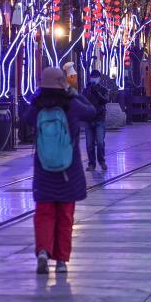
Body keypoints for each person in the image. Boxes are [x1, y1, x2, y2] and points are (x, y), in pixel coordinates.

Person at [23, 67, 95, 274]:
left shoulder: (37, 108)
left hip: (44, 170)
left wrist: (37, 96)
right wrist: (74, 92)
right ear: (62, 83)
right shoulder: (71, 105)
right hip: (68, 171)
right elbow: (91, 112)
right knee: (65, 216)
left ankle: (44, 251)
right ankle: (61, 261)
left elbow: (25, 119)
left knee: (44, 213)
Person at [83, 69, 109, 172]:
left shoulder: (103, 89)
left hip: (99, 120)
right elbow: (82, 101)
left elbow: (105, 100)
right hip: (89, 121)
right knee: (89, 145)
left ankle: (102, 161)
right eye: (92, 77)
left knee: (100, 142)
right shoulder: (86, 90)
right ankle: (91, 164)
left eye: (96, 77)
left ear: (99, 78)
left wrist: (96, 92)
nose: (94, 79)